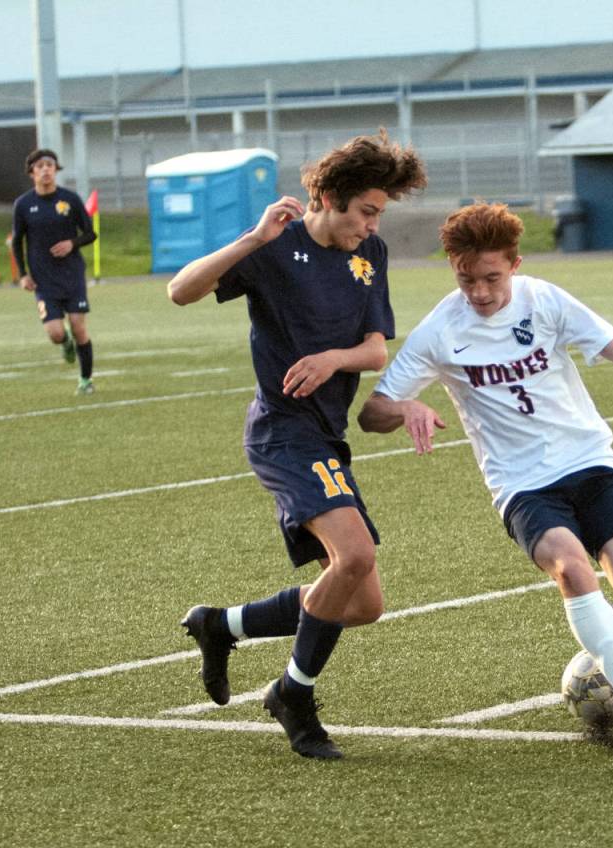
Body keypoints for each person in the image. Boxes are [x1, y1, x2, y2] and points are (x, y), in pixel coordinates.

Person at [358, 203, 613, 758]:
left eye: (492, 277)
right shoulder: (439, 331)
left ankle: (601, 661)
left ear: (515, 265)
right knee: (572, 568)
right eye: (465, 277)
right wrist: (404, 409)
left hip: (591, 464)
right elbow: (371, 411)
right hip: (522, 487)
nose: (478, 291)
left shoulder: (544, 300)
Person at [168, 130, 427, 760]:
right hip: (282, 432)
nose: (371, 224)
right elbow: (181, 291)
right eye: (365, 211)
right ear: (330, 198)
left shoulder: (372, 254)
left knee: (362, 603)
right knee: (356, 556)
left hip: (327, 435)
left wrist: (329, 358)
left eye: (378, 214)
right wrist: (252, 239)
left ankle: (220, 624)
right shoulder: (275, 247)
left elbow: (373, 349)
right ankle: (294, 694)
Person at [12, 149, 98, 394]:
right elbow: (17, 241)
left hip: (71, 275)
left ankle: (85, 380)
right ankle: (65, 343)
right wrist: (22, 274)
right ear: (32, 173)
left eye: (50, 165)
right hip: (43, 279)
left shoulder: (69, 200)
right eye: (40, 166)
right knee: (55, 332)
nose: (46, 170)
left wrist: (72, 243)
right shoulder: (23, 205)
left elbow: (91, 233)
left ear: (56, 170)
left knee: (79, 326)